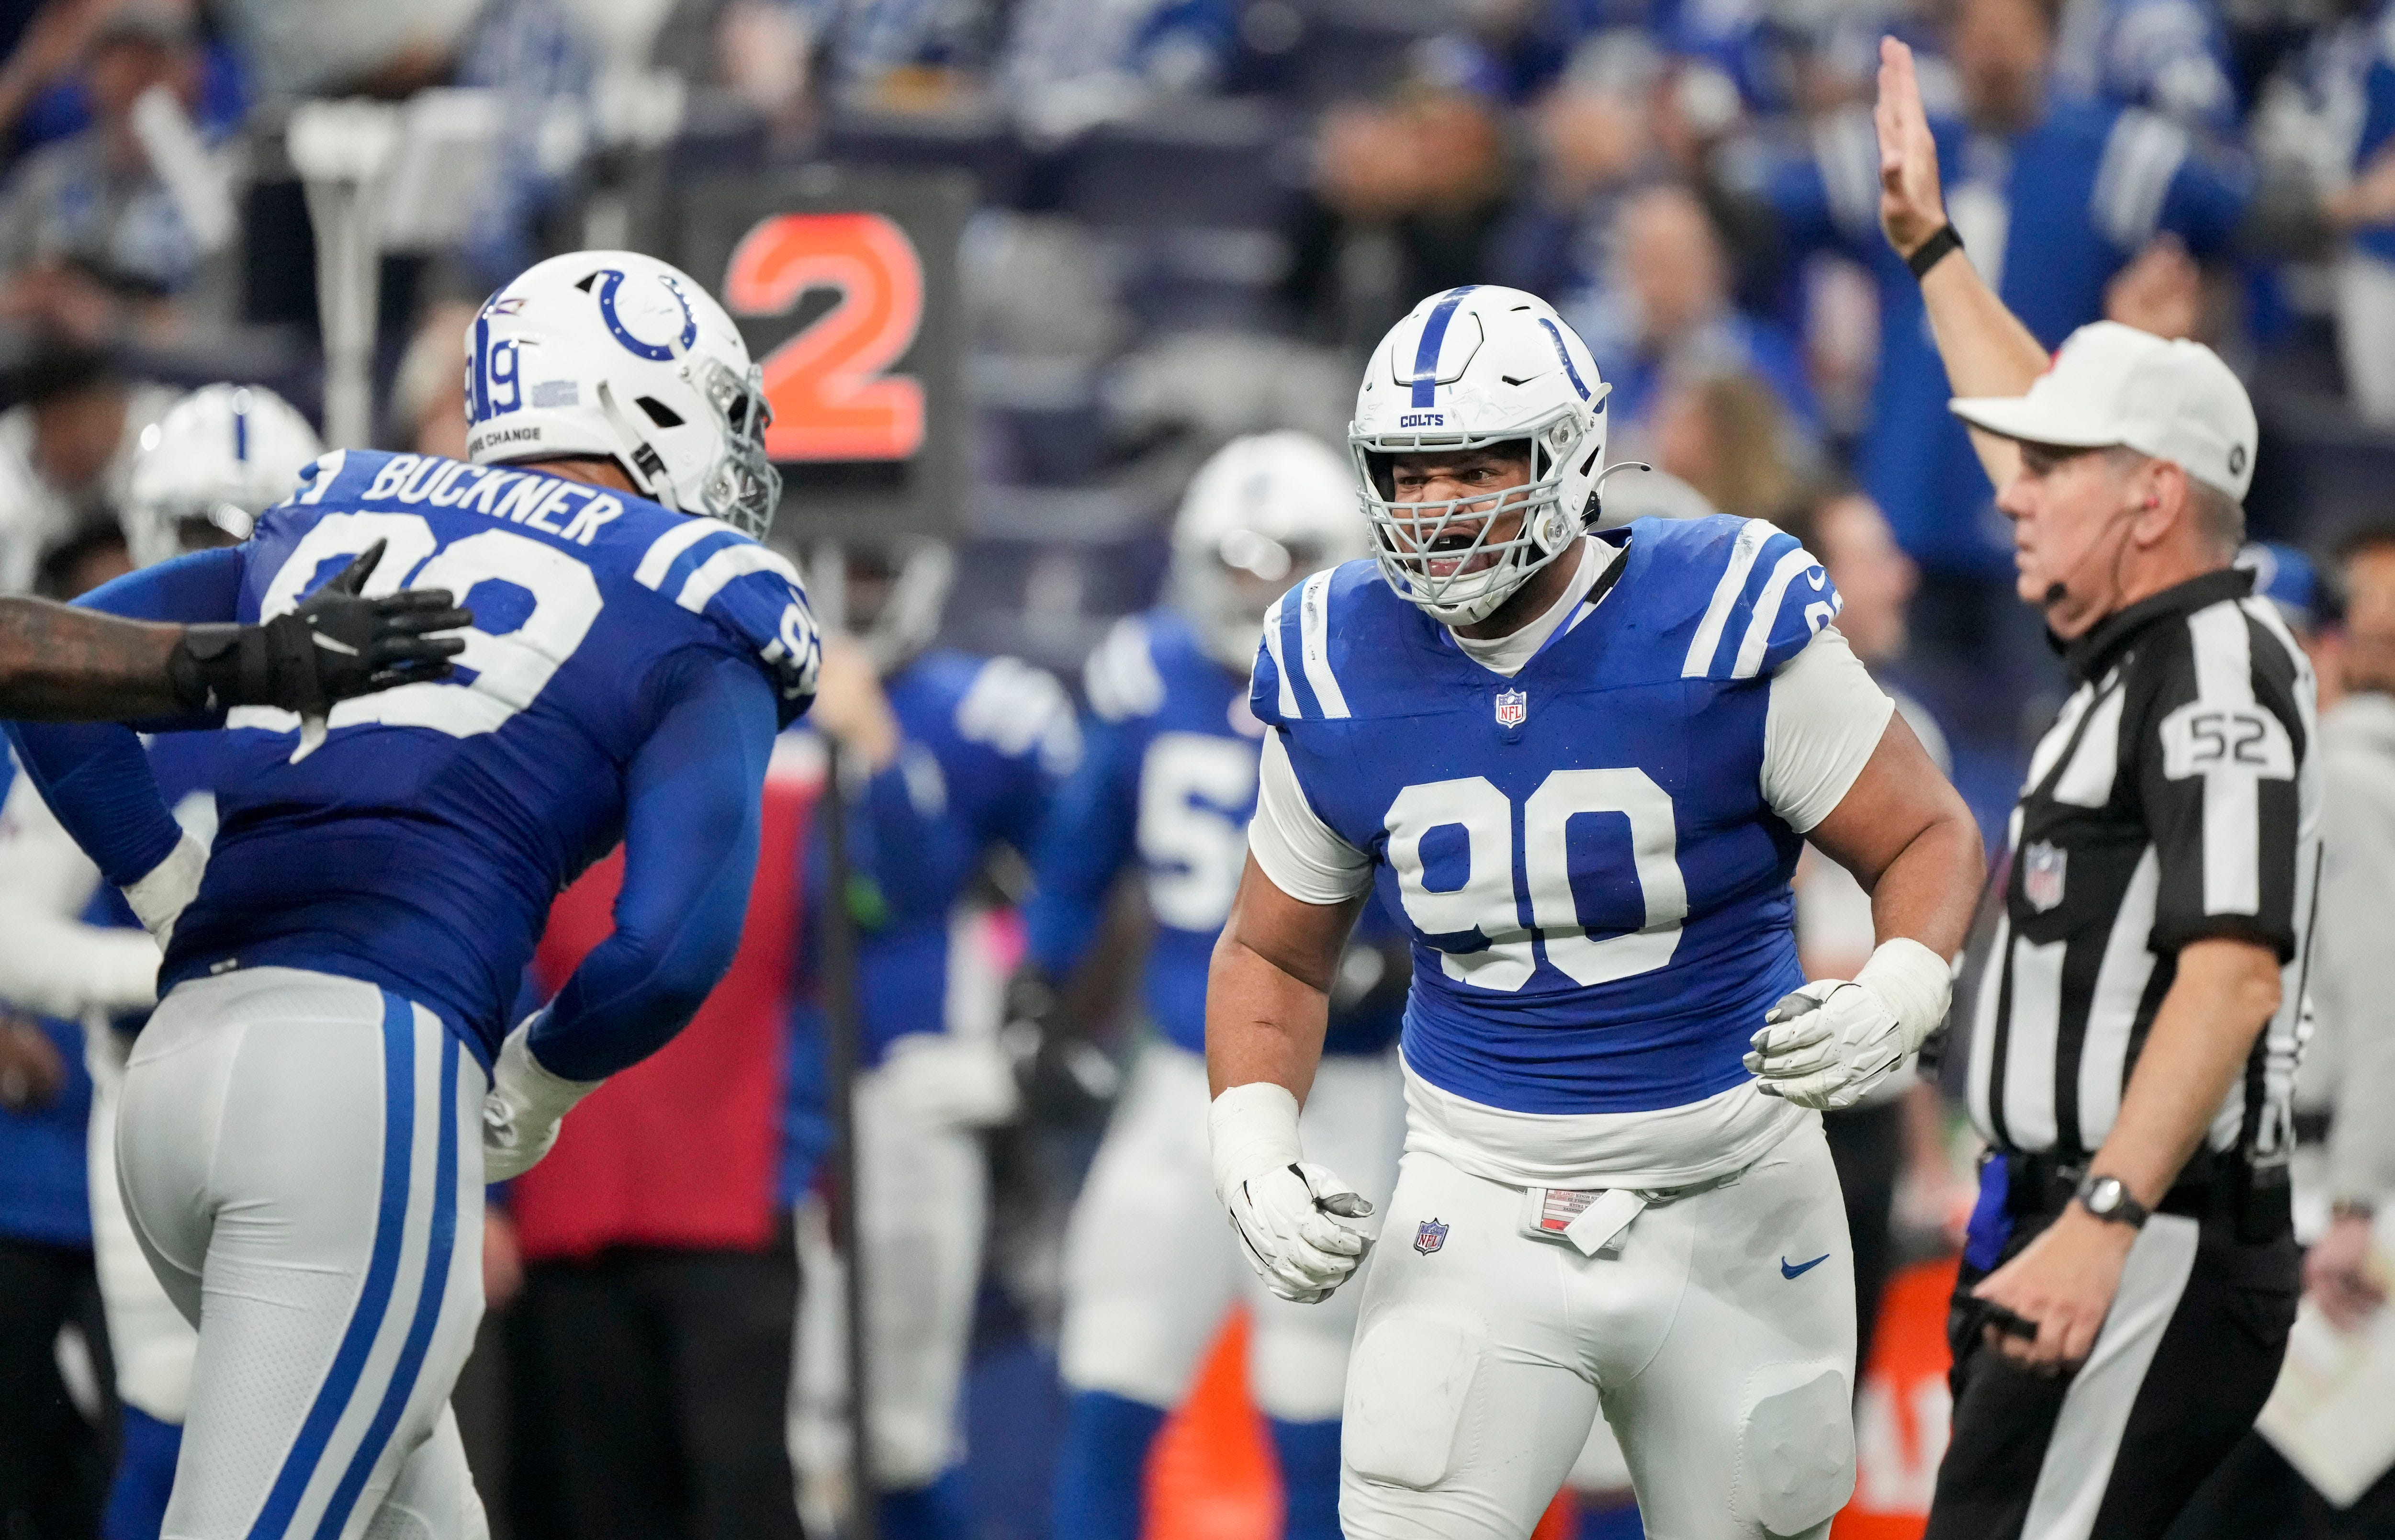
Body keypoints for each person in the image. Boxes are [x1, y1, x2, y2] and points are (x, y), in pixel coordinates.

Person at [3, 248, 819, 1540]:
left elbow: (56, 667)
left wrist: (174, 898)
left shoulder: (340, 505)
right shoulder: (699, 597)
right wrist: (538, 1086)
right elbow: (667, 949)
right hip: (355, 1098)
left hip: (171, 1086)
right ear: (641, 402)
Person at [1208, 283, 1984, 1540]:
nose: (1432, 506)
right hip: (1477, 1189)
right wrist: (1250, 1146)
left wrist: (1900, 987)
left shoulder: (1719, 608)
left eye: (1472, 466)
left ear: (1565, 453)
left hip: (1732, 1187)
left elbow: (1926, 833)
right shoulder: (1337, 654)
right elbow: (1272, 954)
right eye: (1405, 474)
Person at [1874, 37, 2323, 1539]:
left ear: (2148, 499)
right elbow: (2028, 414)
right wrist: (1932, 249)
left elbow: (2231, 976)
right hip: (2066, 1216)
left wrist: (2103, 1219)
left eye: (2055, 469)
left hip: (2144, 1231)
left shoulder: (2210, 670)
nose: (2007, 485)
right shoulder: (2142, 646)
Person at [1030, 431, 1404, 1540]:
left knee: (1315, 1400)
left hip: (1340, 1088)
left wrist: (1401, 952)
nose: (1257, 589)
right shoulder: (1148, 671)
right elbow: (1076, 856)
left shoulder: (1387, 686)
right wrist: (1036, 990)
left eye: (1284, 563)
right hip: (1179, 1086)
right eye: (1236, 564)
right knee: (1112, 1371)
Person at [0, 382, 326, 1540]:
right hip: (158, 1087)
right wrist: (180, 965)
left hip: (328, 1101)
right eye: (199, 531)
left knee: (358, 1430)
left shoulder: (352, 689)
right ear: (149, 530)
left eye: (253, 529)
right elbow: (12, 928)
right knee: (176, 1427)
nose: (227, 561)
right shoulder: (107, 703)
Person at [785, 537, 1079, 1540]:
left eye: (873, 574)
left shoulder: (989, 713)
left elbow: (1088, 893)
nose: (854, 600)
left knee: (899, 1426)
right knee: (792, 1418)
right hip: (765, 1098)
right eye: (837, 576)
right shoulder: (740, 693)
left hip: (910, 1083)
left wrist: (1023, 1054)